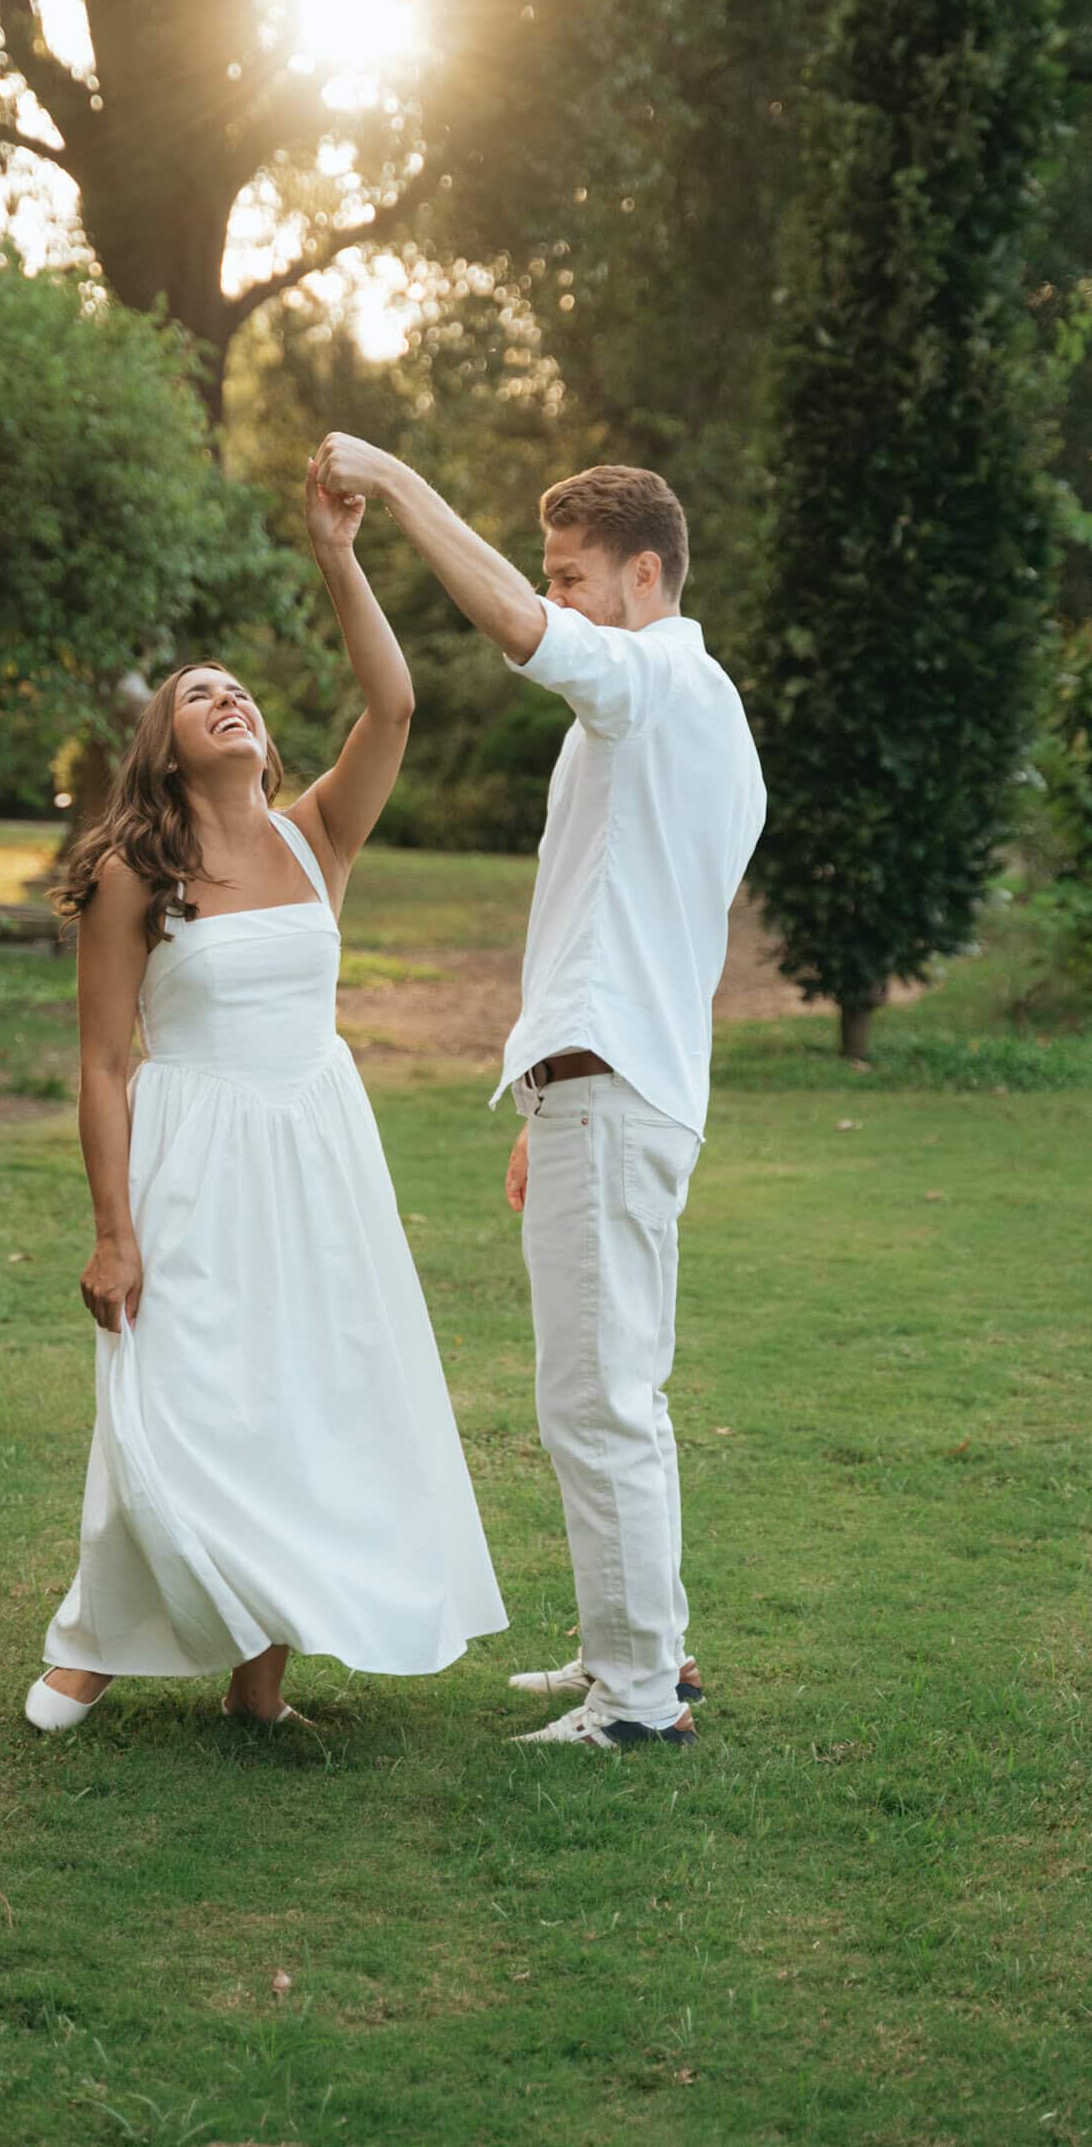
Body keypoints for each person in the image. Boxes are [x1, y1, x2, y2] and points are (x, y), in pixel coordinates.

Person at [26, 464, 505, 1734]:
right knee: (177, 1393)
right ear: (163, 744)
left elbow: (393, 705)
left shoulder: (315, 836)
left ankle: (261, 1684)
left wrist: (338, 552)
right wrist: (114, 1226)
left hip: (318, 1143)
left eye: (236, 689)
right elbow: (102, 1060)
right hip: (194, 1143)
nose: (226, 697)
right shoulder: (136, 869)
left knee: (311, 1391)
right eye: (198, 695)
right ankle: (96, 1639)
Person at [310, 440, 765, 1754]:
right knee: (620, 1393)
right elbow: (616, 923)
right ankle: (642, 1659)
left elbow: (512, 627)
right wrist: (542, 1099)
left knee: (596, 1400)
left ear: (643, 574)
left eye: (573, 576)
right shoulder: (680, 709)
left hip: (617, 1094)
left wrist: (390, 484)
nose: (555, 599)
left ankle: (631, 1705)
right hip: (607, 1091)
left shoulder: (657, 681)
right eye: (552, 576)